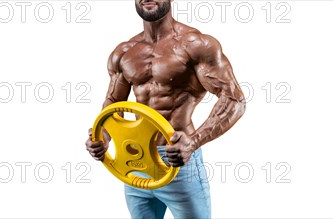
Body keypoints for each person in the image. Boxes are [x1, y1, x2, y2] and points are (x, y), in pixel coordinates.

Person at [84, 0, 246, 218]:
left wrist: (194, 142)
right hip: (134, 160)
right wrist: (103, 136)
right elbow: (113, 103)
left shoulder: (197, 45)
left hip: (179, 161)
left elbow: (234, 99)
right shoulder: (124, 52)